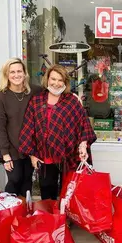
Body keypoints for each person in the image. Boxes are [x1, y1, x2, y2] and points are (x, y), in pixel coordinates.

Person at [19, 64, 97, 200]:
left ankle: (66, 219)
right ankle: (50, 219)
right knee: (47, 191)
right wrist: (32, 154)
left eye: (60, 80)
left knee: (69, 190)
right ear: (47, 79)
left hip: (68, 155)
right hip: (44, 156)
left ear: (65, 82)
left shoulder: (72, 101)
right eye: (53, 79)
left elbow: (83, 124)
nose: (56, 83)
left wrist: (83, 145)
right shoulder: (36, 101)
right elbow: (29, 127)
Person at [0, 58, 42, 197]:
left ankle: (23, 216)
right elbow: (0, 126)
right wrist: (5, 154)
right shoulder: (1, 96)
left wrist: (72, 96)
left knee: (27, 183)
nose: (16, 75)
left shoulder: (35, 91)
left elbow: (55, 92)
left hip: (30, 147)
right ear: (7, 75)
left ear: (25, 73)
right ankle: (8, 212)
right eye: (12, 72)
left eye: (19, 71)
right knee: (15, 179)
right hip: (11, 148)